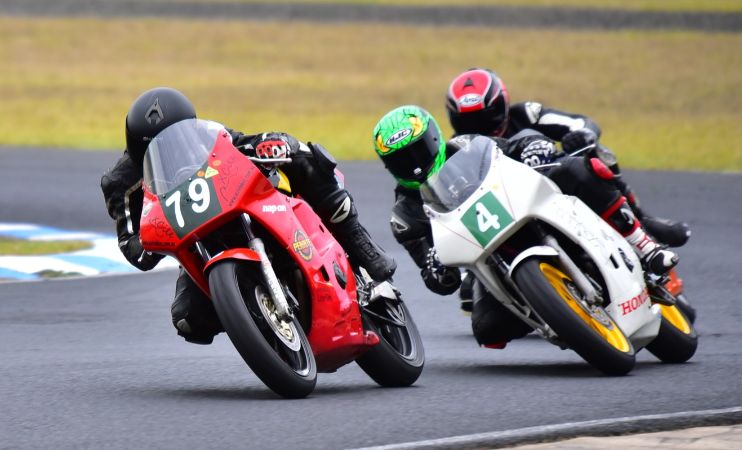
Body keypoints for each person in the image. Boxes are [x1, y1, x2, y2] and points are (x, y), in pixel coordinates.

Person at [101, 87, 395, 345]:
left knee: (304, 157)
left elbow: (240, 143)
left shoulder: (204, 136)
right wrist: (150, 238)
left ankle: (360, 244)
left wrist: (273, 144)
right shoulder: (120, 183)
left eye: (174, 140)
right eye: (155, 145)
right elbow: (133, 248)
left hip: (241, 205)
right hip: (198, 241)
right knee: (188, 319)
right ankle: (255, 318)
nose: (169, 149)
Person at [373, 105, 678, 348]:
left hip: (526, 211)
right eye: (400, 159)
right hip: (490, 258)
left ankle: (643, 244)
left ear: (435, 139)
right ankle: (556, 317)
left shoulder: (465, 145)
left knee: (578, 170)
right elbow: (438, 283)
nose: (413, 163)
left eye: (418, 150)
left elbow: (517, 142)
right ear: (389, 167)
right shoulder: (405, 216)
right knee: (488, 329)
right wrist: (436, 267)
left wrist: (534, 147)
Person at [445, 67, 690, 248]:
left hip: (558, 185)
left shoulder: (527, 114)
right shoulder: (456, 151)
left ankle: (640, 220)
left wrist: (581, 136)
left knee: (595, 153)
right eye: (468, 121)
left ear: (503, 106)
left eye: (485, 117)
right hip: (508, 212)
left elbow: (582, 123)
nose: (479, 126)